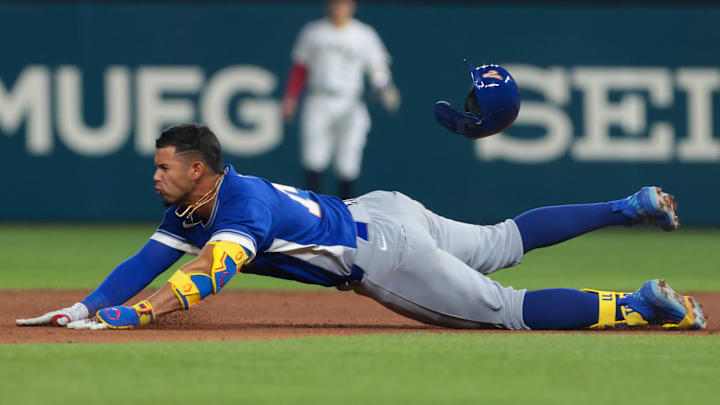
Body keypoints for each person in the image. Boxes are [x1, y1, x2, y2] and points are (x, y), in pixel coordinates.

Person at [16, 123, 706, 331]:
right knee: (502, 241)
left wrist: (133, 318)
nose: (156, 176)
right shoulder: (195, 206)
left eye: (166, 167)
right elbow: (148, 259)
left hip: (385, 254)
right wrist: (87, 305)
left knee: (512, 312)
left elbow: (208, 274)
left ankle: (643, 307)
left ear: (200, 170)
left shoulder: (239, 212)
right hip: (385, 209)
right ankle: (629, 203)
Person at [282, 0, 400, 200]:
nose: (339, 8)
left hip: (350, 101)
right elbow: (300, 68)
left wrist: (383, 85)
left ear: (352, 6)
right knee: (313, 157)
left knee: (348, 160)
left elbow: (377, 66)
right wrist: (291, 97)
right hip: (319, 97)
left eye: (343, 3)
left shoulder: (364, 34)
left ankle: (346, 214)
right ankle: (313, 216)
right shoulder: (314, 32)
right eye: (335, 3)